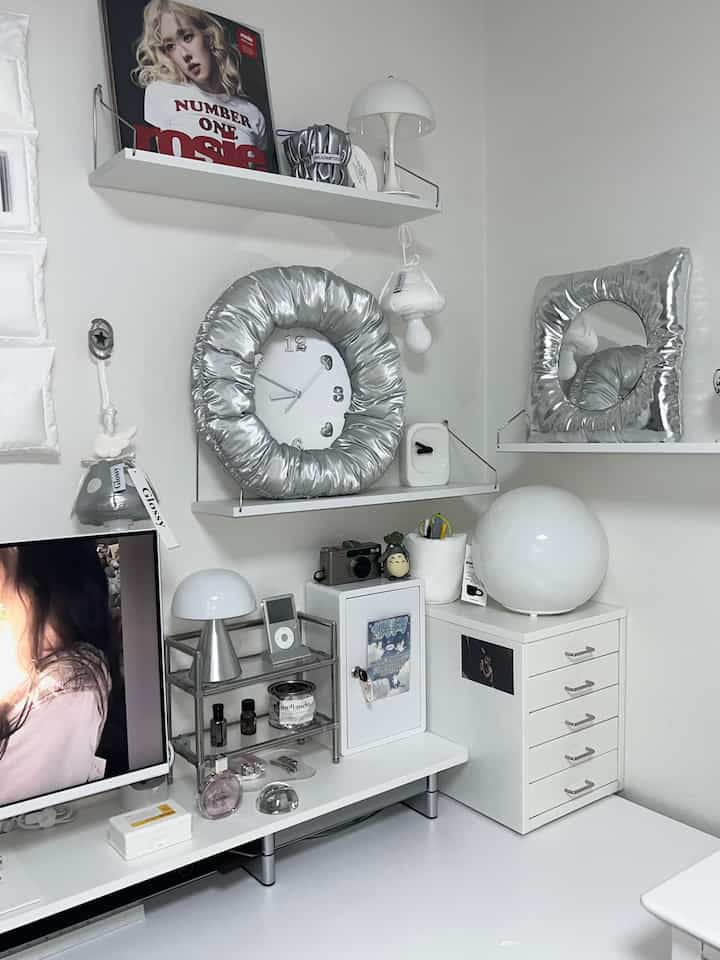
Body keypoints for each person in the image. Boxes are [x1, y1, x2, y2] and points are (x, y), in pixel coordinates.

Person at [0, 541, 116, 806]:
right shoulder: (61, 672)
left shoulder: (72, 684)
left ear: (35, 595)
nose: (8, 612)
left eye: (7, 597)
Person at [132, 0, 267, 162]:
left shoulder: (253, 114)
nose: (184, 54)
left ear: (209, 37)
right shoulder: (161, 92)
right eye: (170, 46)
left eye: (187, 37)